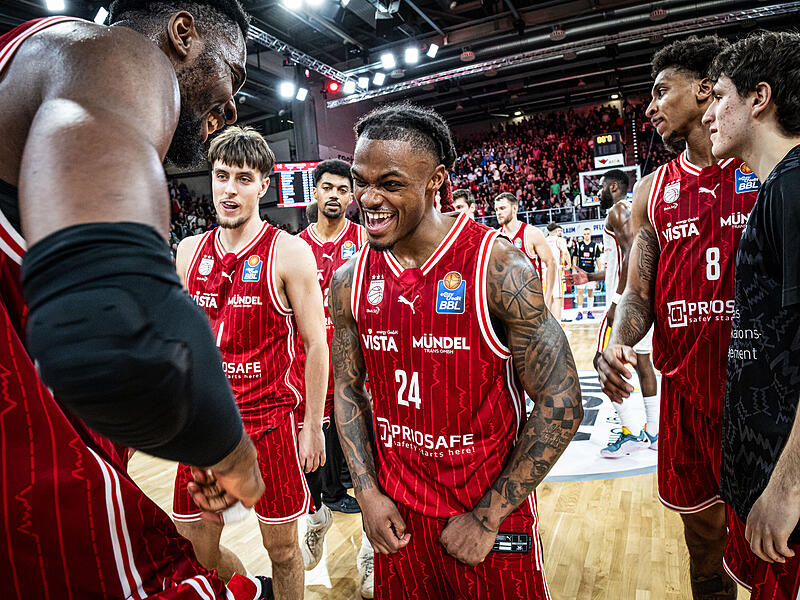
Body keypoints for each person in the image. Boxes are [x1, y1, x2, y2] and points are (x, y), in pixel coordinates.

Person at [0, 2, 276, 598]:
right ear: (183, 33)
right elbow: (113, 328)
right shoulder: (116, 55)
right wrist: (228, 448)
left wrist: (180, 429)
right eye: (234, 74)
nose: (233, 107)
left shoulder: (34, 71)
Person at [329, 102, 582, 599]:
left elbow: (562, 400)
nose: (369, 199)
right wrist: (366, 492)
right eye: (362, 181)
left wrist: (488, 517)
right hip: (398, 520)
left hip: (484, 516)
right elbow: (347, 388)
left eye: (391, 183)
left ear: (436, 181)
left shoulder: (497, 267)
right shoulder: (348, 281)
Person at [596, 35, 758, 599]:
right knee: (704, 548)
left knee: (774, 552)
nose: (650, 106)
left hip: (759, 397)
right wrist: (618, 341)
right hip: (688, 396)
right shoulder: (651, 191)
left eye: (662, 91)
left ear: (705, 90)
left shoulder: (767, 169)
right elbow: (638, 295)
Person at [173, 126, 327, 600]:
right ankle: (247, 592)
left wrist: (312, 427)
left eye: (243, 178)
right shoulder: (187, 251)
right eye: (222, 176)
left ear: (264, 184)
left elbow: (316, 344)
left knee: (281, 550)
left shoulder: (289, 251)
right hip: (204, 428)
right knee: (194, 550)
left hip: (271, 425)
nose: (229, 189)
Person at [702, 31, 800, 596]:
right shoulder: (776, 187)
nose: (709, 113)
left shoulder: (794, 188)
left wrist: (787, 489)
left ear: (758, 99)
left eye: (719, 97)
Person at [295, 159, 374, 597]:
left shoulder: (365, 241)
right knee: (311, 466)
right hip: (311, 375)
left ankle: (368, 552)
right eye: (326, 187)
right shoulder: (295, 246)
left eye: (342, 190)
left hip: (357, 376)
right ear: (316, 192)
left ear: (351, 197)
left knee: (367, 467)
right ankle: (317, 516)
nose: (334, 196)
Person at [576, 170, 659, 457]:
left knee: (603, 361)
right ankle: (655, 432)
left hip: (625, 303)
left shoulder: (618, 209)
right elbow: (621, 262)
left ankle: (631, 432)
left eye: (600, 187)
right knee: (644, 363)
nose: (596, 192)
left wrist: (616, 302)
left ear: (613, 187)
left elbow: (631, 254)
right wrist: (592, 277)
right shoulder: (630, 211)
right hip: (642, 301)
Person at [494, 192, 556, 309]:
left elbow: (551, 263)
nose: (499, 213)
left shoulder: (531, 233)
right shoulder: (496, 236)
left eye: (502, 208)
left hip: (531, 300)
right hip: (507, 303)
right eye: (496, 209)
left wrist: (547, 298)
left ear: (514, 209)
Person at [572, 228, 601, 320]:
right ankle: (579, 312)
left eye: (588, 234)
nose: (586, 235)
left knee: (590, 291)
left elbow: (597, 259)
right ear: (583, 235)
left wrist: (600, 271)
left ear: (591, 234)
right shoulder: (578, 245)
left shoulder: (595, 245)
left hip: (591, 273)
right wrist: (573, 270)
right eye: (584, 234)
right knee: (580, 292)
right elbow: (575, 258)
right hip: (581, 272)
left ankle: (590, 311)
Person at [544, 222, 570, 321]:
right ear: (556, 231)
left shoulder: (544, 241)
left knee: (548, 297)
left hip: (545, 271)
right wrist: (569, 264)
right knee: (558, 297)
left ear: (547, 231)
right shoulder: (560, 240)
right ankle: (558, 324)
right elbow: (566, 252)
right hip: (556, 270)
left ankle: (548, 323)